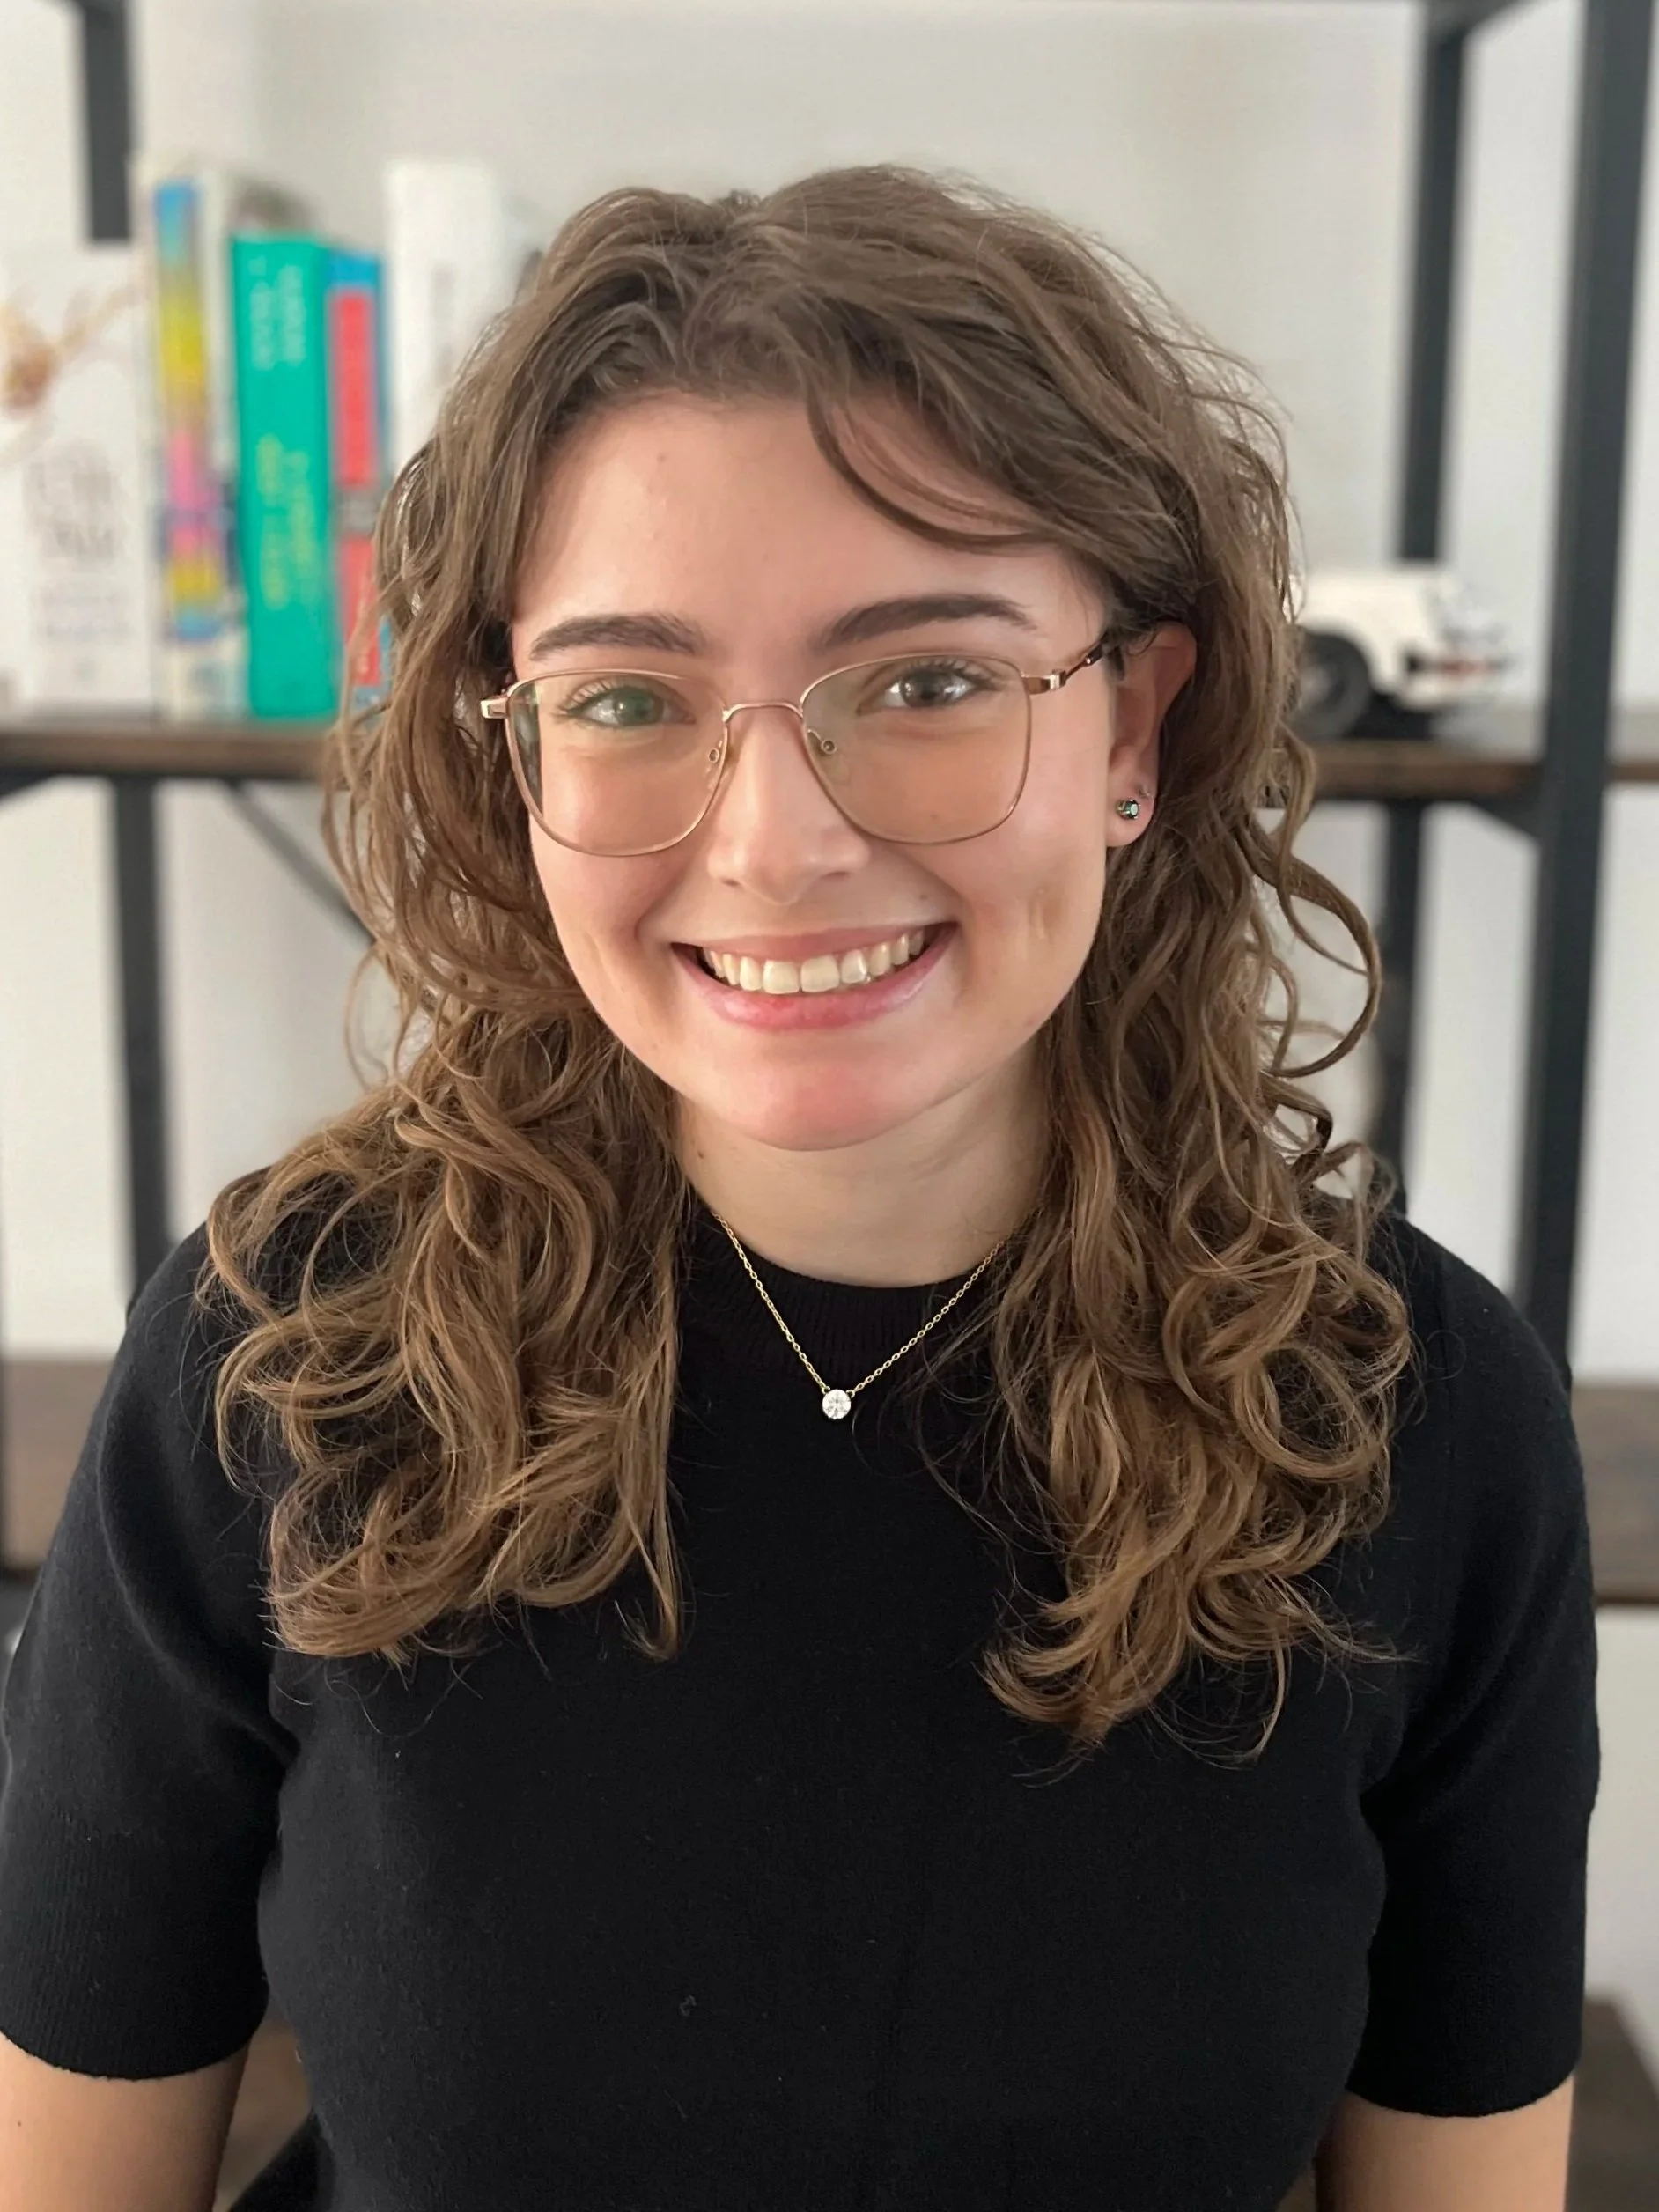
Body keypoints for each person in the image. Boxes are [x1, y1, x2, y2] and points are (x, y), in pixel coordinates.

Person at [0, 166, 1598, 2212]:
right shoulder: (279, 1362)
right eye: (629, 699)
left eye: (925, 681)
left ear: (1136, 720)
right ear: (518, 753)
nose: (773, 841)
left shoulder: (1420, 1416)